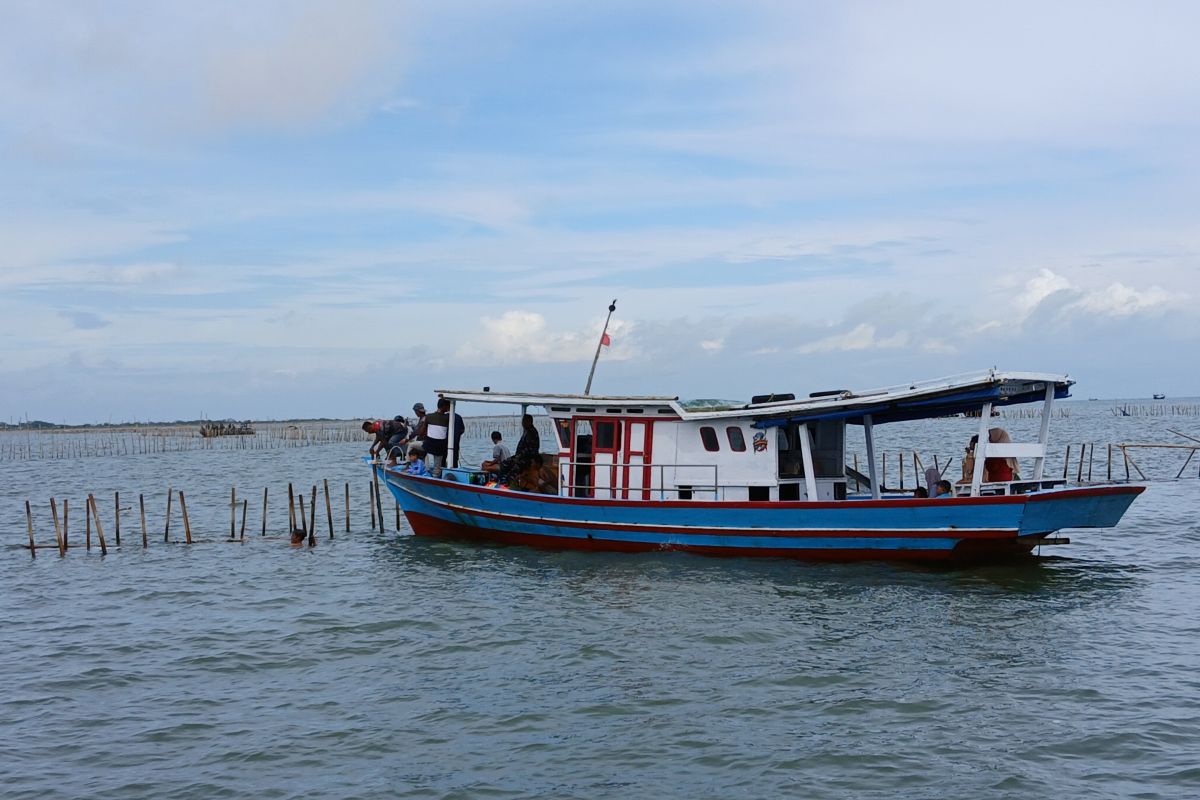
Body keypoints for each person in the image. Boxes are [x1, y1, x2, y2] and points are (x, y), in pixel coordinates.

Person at [498, 414, 540, 485]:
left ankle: (507, 483)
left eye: (524, 421)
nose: (522, 423)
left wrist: (519, 456)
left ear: (529, 421)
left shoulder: (531, 432)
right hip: (522, 457)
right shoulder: (527, 431)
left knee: (511, 467)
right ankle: (502, 481)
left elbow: (529, 449)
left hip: (527, 459)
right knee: (505, 463)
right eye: (523, 421)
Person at [423, 398, 452, 477]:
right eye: (448, 406)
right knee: (437, 466)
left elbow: (423, 431)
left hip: (429, 444)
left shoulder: (428, 416)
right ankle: (436, 476)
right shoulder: (448, 417)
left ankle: (425, 469)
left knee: (415, 446)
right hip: (439, 446)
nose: (449, 408)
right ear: (443, 406)